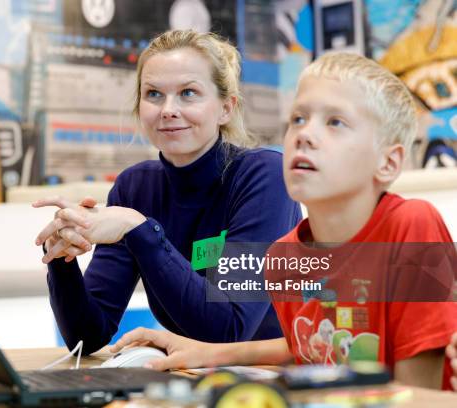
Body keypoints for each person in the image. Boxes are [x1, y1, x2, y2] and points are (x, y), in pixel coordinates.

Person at [110, 52, 457, 390]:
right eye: (298, 119)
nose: (304, 135)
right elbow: (314, 345)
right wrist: (208, 353)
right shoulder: (282, 256)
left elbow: (419, 395)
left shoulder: (412, 227)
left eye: (335, 122)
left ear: (388, 162)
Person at [33, 29, 301, 355]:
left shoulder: (265, 176)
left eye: (188, 93)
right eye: (154, 94)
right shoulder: (135, 188)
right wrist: (61, 257)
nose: (168, 110)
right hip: (194, 377)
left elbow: (229, 328)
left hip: (283, 380)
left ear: (226, 108)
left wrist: (141, 230)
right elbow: (87, 336)